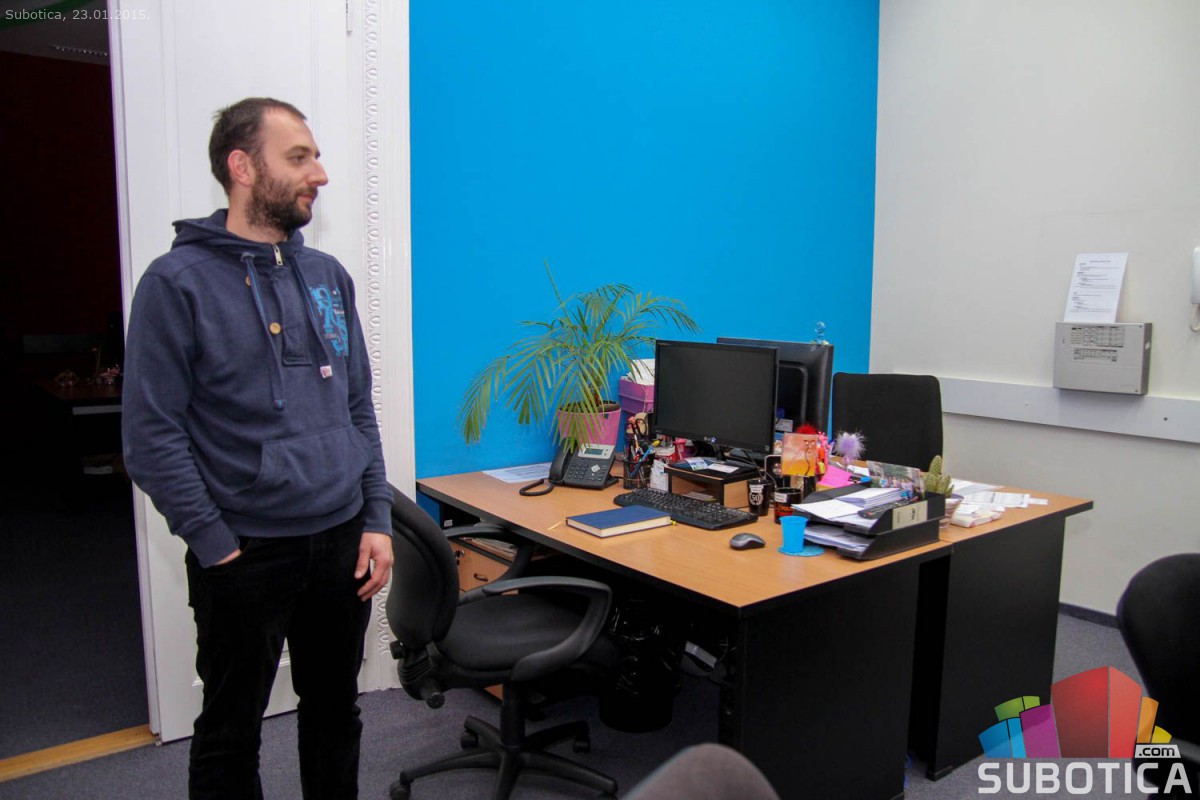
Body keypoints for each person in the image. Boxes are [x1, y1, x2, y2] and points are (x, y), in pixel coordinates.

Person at [122, 97, 394, 800]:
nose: (320, 174)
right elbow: (151, 437)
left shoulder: (327, 276)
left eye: (317, 157)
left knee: (335, 711)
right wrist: (215, 545)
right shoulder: (176, 284)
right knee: (230, 731)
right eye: (299, 158)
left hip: (340, 540)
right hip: (245, 550)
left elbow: (357, 407)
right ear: (242, 167)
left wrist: (376, 517)